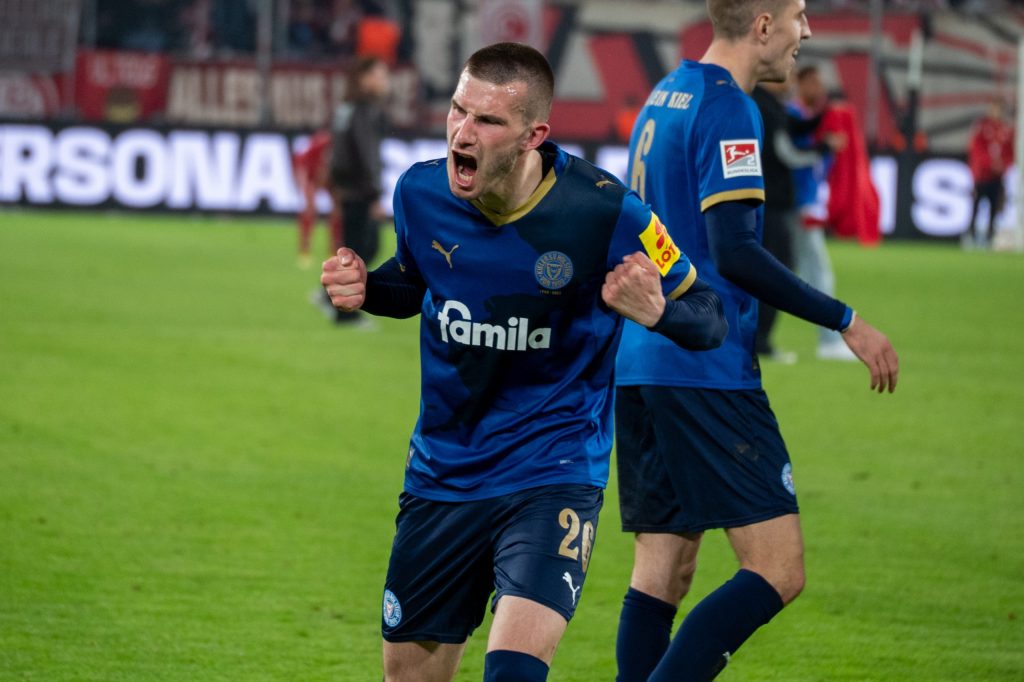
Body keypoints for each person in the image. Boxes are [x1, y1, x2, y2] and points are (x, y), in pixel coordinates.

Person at [320, 42, 727, 682]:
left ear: (534, 135)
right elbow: (415, 282)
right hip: (443, 474)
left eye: (488, 120)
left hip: (553, 470)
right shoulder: (419, 192)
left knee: (513, 670)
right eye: (458, 110)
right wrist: (367, 288)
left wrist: (657, 313)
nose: (462, 132)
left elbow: (708, 314)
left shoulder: (605, 210)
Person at [613, 2, 900, 681]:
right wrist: (844, 319)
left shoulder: (666, 94)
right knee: (777, 568)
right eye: (799, 15)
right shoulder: (727, 108)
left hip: (642, 358)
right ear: (763, 24)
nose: (808, 31)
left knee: (663, 571)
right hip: (704, 366)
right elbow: (737, 253)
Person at [751, 76, 842, 363]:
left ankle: (758, 339)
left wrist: (823, 119)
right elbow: (787, 153)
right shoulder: (766, 107)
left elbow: (792, 129)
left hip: (767, 202)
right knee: (775, 271)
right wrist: (822, 150)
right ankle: (760, 340)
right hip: (772, 204)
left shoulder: (765, 104)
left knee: (773, 269)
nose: (791, 77)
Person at [789, 64, 857, 361]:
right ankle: (828, 342)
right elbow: (794, 159)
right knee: (818, 273)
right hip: (798, 205)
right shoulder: (794, 116)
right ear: (801, 84)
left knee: (804, 271)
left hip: (804, 203)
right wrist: (824, 148)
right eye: (814, 83)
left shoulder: (807, 118)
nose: (819, 89)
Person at [319, 55, 392, 325]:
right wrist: (374, 194)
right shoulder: (363, 111)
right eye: (380, 76)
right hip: (360, 191)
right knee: (363, 249)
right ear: (365, 79)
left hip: (348, 188)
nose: (385, 82)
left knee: (356, 248)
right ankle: (343, 311)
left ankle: (328, 295)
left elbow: (337, 153)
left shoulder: (346, 109)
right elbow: (366, 154)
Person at [965, 98, 1014, 249]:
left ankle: (990, 236)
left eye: (1000, 109)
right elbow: (976, 149)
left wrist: (1003, 165)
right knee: (976, 205)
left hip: (997, 177)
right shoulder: (982, 127)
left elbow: (1010, 152)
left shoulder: (1006, 130)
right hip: (981, 176)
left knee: (994, 208)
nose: (997, 112)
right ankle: (971, 235)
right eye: (995, 109)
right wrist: (990, 164)